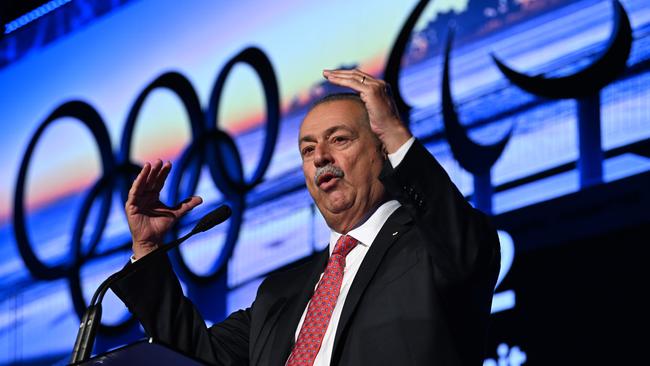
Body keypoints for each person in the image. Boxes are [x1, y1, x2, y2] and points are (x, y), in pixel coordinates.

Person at [112, 69, 501, 365]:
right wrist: (147, 249)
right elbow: (195, 358)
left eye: (339, 139)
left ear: (382, 149)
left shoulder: (432, 251)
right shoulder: (280, 294)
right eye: (307, 149)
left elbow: (464, 244)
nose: (320, 158)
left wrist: (398, 134)